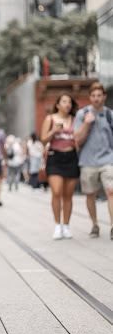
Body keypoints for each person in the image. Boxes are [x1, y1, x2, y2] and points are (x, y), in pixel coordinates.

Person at [73, 82, 113, 239]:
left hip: (107, 159)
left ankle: (112, 227)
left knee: (111, 191)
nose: (96, 99)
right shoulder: (82, 114)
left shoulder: (110, 114)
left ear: (104, 96)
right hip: (88, 160)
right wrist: (86, 123)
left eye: (99, 96)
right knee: (90, 194)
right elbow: (78, 139)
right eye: (93, 96)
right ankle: (95, 225)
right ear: (90, 97)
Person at [41, 92, 79, 240]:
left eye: (69, 102)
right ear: (57, 104)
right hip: (55, 157)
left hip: (71, 157)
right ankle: (57, 225)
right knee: (56, 192)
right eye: (64, 102)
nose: (67, 105)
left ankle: (66, 226)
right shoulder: (50, 119)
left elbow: (79, 139)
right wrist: (53, 131)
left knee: (68, 195)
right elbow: (43, 140)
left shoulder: (75, 119)